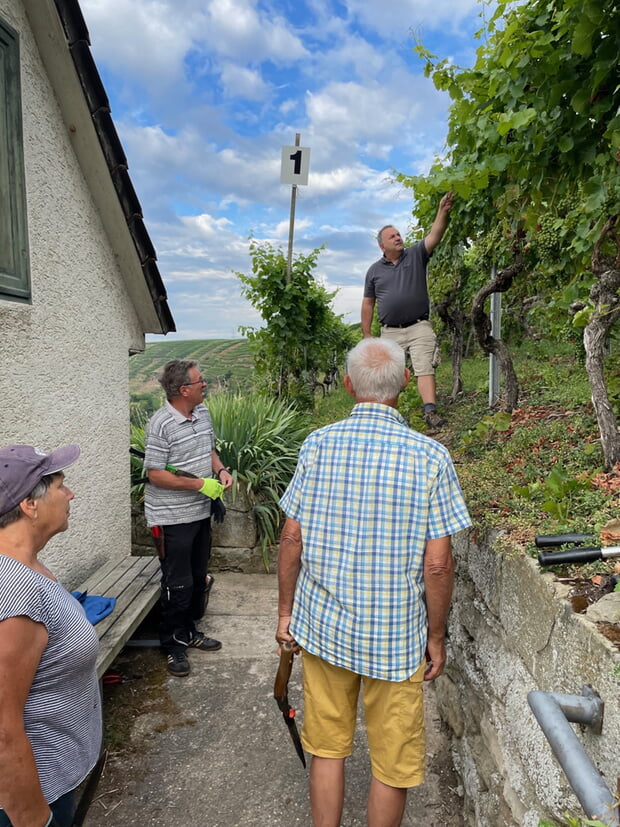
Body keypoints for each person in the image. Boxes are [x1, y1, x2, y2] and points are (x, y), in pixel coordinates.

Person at [276, 337, 471, 827]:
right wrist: (436, 636)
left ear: (347, 386)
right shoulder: (431, 457)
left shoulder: (317, 445)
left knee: (327, 749)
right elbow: (439, 565)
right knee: (393, 762)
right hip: (396, 638)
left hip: (324, 629)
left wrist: (286, 613)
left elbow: (291, 538)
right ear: (406, 383)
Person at [0, 444, 101, 827]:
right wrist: (32, 818)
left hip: (52, 784)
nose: (71, 494)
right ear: (30, 504)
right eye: (61, 485)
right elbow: (2, 727)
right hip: (30, 799)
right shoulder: (14, 592)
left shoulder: (28, 567)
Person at [144, 359, 233, 677]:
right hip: (171, 518)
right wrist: (199, 484)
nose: (205, 385)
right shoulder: (160, 425)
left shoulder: (203, 414)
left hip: (198, 512)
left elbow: (207, 450)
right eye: (200, 382)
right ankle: (172, 646)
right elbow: (155, 475)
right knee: (177, 582)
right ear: (184, 390)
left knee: (197, 578)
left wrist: (219, 470)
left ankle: (190, 633)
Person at [361, 192, 454, 430]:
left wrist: (442, 211)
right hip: (390, 332)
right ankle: (388, 417)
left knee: (424, 367)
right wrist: (367, 336)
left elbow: (435, 235)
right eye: (392, 237)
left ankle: (430, 412)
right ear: (382, 245)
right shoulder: (373, 271)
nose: (398, 238)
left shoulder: (416, 254)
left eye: (399, 234)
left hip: (419, 325)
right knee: (389, 374)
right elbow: (368, 303)